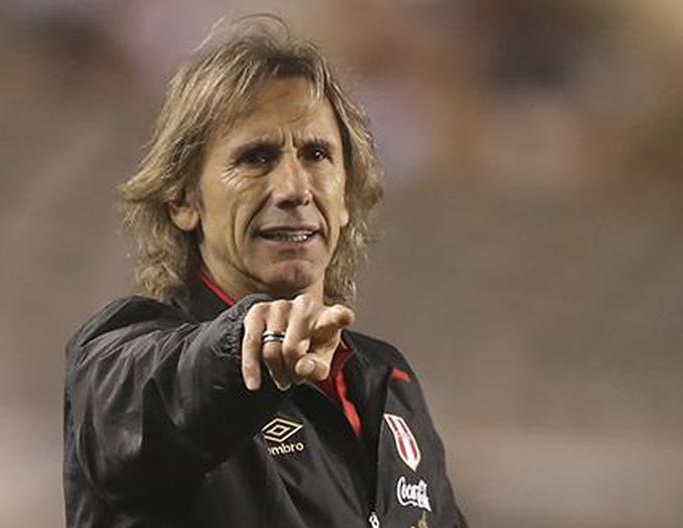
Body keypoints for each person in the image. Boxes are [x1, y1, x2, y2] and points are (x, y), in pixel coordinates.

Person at [63, 15, 468, 528]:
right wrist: (246, 346)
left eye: (318, 154)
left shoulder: (389, 383)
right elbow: (146, 402)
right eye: (257, 158)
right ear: (182, 199)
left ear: (347, 196)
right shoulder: (118, 355)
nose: (295, 189)